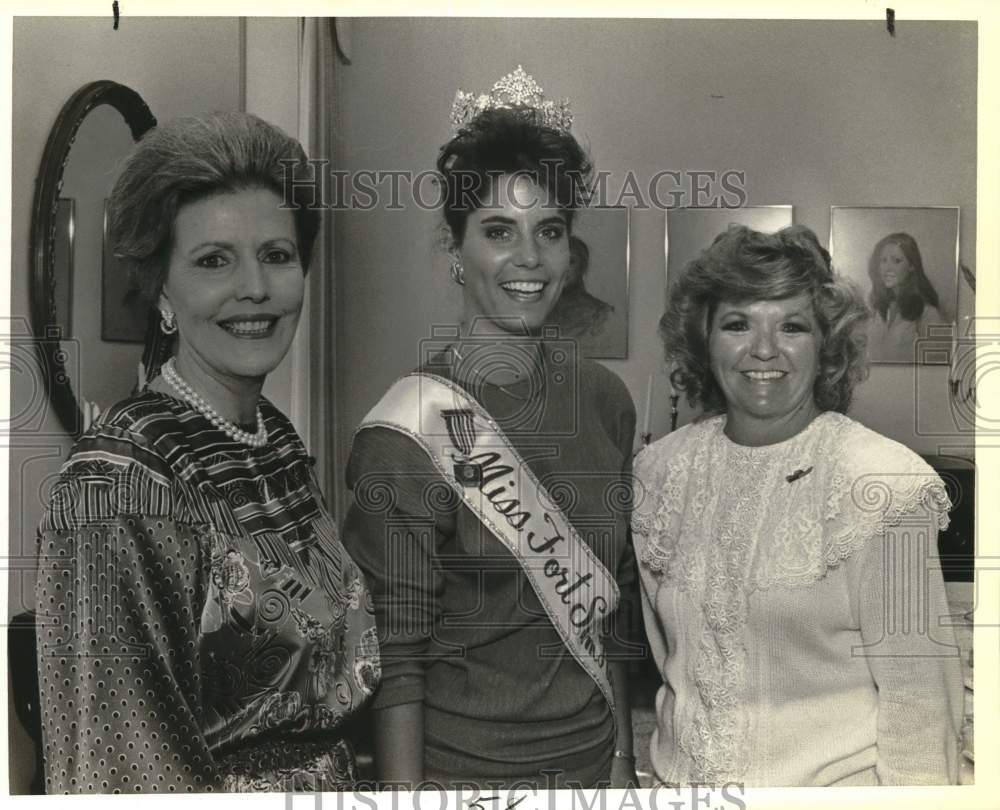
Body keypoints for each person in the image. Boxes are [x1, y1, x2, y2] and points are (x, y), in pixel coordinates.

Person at [34, 112, 378, 793]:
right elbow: (122, 778)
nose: (254, 287)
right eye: (213, 260)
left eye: (276, 255)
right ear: (161, 287)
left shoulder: (272, 440)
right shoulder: (116, 492)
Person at [342, 66, 639, 789]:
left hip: (596, 768)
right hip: (465, 780)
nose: (529, 258)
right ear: (454, 252)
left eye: (550, 231)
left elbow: (610, 617)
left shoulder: (605, 400)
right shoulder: (404, 433)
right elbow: (398, 660)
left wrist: (625, 763)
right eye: (498, 230)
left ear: (572, 253)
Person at [633, 224, 963, 786]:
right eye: (737, 324)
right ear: (704, 339)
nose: (764, 349)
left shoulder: (883, 484)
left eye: (792, 326)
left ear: (826, 345)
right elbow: (671, 659)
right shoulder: (659, 471)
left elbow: (921, 706)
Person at [866, 232, 946, 362]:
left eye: (896, 261)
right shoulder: (873, 309)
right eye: (883, 261)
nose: (887, 268)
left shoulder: (928, 314)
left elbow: (937, 367)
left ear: (912, 266)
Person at [547, 235, 614, 339]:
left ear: (583, 265)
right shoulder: (537, 311)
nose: (563, 269)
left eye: (570, 262)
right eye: (557, 262)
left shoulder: (601, 314)